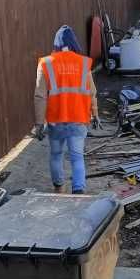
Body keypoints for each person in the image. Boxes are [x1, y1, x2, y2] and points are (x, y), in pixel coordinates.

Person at [33, 26, 100, 194]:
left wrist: (39, 123)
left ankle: (58, 189)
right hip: (78, 118)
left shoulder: (46, 63)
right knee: (77, 157)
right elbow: (92, 92)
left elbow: (40, 96)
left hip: (56, 121)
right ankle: (78, 192)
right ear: (74, 42)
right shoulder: (84, 63)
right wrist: (95, 114)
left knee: (56, 155)